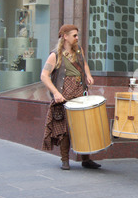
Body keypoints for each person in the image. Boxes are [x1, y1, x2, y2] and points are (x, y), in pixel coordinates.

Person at [41, 24, 100, 170]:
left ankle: (86, 159)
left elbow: (84, 64)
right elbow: (44, 76)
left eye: (77, 35)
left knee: (83, 125)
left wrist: (88, 75)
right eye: (74, 35)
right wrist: (56, 93)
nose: (77, 38)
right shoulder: (55, 55)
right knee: (65, 128)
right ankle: (65, 160)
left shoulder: (79, 50)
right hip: (64, 94)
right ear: (65, 36)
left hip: (79, 92)